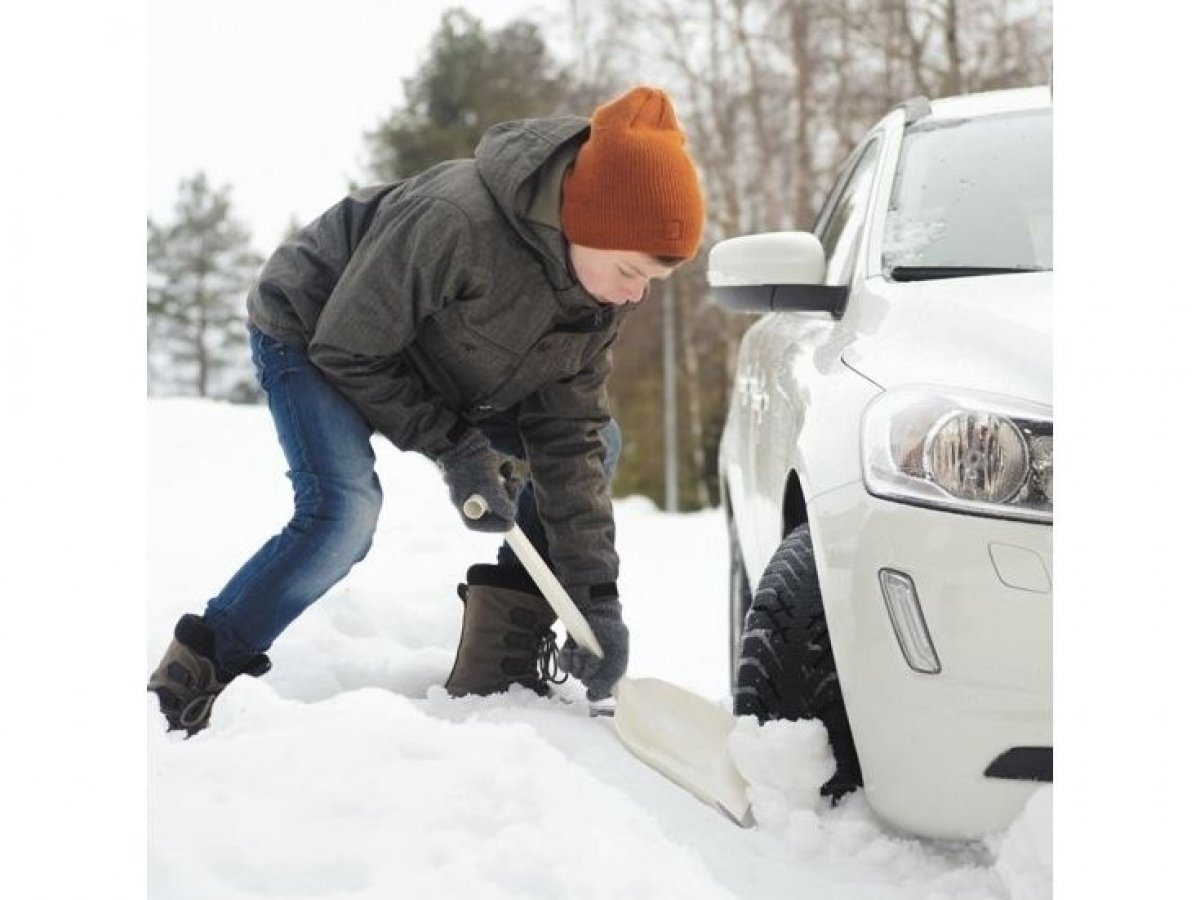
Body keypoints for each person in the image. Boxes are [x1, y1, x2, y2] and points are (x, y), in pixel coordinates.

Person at [147, 85, 706, 735]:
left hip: (440, 365)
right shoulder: (454, 219)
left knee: (597, 444)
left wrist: (595, 600)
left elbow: (568, 439)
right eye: (631, 270)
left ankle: (500, 654)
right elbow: (348, 349)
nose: (635, 296)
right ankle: (198, 671)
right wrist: (460, 448)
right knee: (342, 513)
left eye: (650, 282)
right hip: (317, 334)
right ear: (586, 222)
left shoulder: (593, 302)